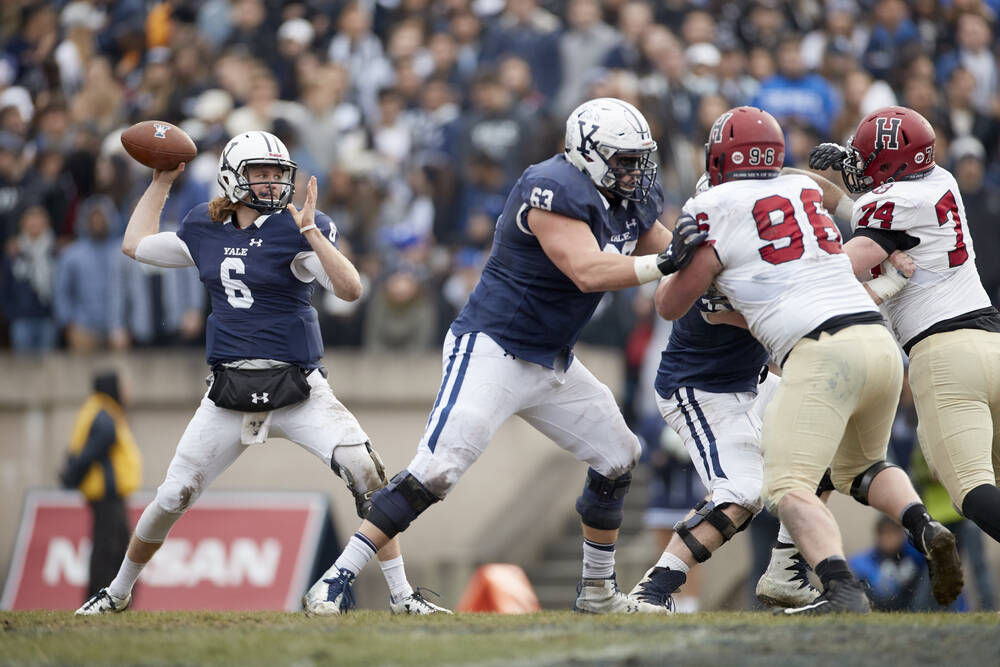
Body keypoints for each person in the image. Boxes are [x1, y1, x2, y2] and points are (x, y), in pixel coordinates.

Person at [303, 98, 707, 615]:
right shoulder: (552, 187)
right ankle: (334, 582)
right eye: (622, 159)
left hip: (552, 358)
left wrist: (702, 257)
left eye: (637, 159)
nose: (634, 170)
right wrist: (666, 261)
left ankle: (598, 592)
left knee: (618, 454)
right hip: (494, 347)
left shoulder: (628, 196)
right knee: (437, 470)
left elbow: (666, 253)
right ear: (586, 152)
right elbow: (588, 269)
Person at [75, 131, 445, 616]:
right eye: (260, 173)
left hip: (299, 389)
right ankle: (117, 592)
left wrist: (312, 232)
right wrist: (162, 180)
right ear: (231, 177)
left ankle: (401, 596)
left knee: (367, 474)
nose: (272, 182)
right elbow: (135, 243)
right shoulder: (205, 228)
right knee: (172, 496)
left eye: (278, 174)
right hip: (228, 390)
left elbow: (351, 289)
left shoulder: (297, 227)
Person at [654, 106, 963, 614]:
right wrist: (886, 280)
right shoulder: (802, 192)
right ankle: (922, 525)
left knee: (787, 485)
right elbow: (827, 213)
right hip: (880, 346)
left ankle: (840, 588)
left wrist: (673, 261)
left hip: (822, 351)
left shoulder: (713, 209)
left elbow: (670, 305)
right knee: (861, 468)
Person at [627, 174, 821, 612]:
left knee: (825, 432)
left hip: (751, 382)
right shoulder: (707, 258)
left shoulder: (764, 250)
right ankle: (653, 589)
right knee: (744, 491)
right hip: (701, 390)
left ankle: (786, 570)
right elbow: (756, 319)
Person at [809, 106, 1000, 549]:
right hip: (992, 341)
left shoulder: (885, 207)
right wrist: (833, 168)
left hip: (944, 357)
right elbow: (875, 204)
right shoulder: (942, 181)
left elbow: (843, 267)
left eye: (863, 160)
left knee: (971, 491)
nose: (855, 169)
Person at [60, 371, 142, 600]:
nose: (127, 392)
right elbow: (91, 450)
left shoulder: (100, 410)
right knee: (110, 549)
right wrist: (72, 475)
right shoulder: (104, 415)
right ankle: (101, 598)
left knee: (112, 548)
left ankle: (109, 598)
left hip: (109, 496)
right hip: (107, 496)